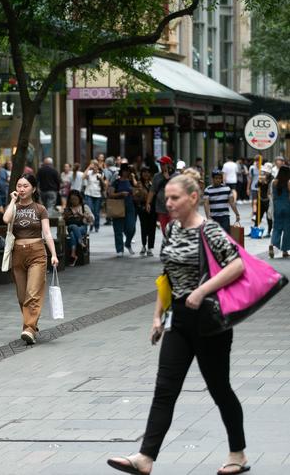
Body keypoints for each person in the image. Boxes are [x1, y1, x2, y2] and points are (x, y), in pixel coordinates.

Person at [108, 169, 248, 475]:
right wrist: (157, 316)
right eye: (166, 197)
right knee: (165, 389)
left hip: (210, 320)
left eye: (175, 197)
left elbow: (237, 265)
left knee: (219, 388)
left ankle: (238, 453)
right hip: (179, 321)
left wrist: (202, 290)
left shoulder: (209, 231)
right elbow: (167, 276)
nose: (168, 202)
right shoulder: (171, 231)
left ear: (193, 198)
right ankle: (145, 458)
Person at [3, 174, 59, 345]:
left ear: (33, 189)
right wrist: (12, 201)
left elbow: (47, 233)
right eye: (19, 186)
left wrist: (54, 254)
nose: (21, 189)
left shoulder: (40, 209)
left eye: (25, 186)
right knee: (22, 296)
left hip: (37, 253)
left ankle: (28, 328)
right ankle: (32, 326)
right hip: (17, 253)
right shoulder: (14, 207)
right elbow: (6, 219)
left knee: (32, 293)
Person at [107, 164, 137, 256]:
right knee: (118, 229)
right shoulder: (116, 182)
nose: (126, 172)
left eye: (128, 171)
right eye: (125, 170)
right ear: (121, 171)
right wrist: (120, 194)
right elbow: (110, 194)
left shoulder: (131, 181)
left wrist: (133, 179)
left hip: (130, 206)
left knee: (131, 228)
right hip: (118, 206)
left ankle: (127, 243)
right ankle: (119, 249)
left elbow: (137, 189)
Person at [62, 190, 93, 265]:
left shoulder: (84, 207)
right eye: (72, 199)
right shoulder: (67, 209)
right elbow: (63, 220)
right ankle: (81, 243)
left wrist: (82, 215)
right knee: (72, 226)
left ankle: (73, 255)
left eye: (75, 199)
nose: (73, 201)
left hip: (82, 228)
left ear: (79, 199)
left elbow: (91, 219)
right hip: (70, 227)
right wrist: (65, 216)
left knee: (73, 233)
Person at [204, 168, 240, 233]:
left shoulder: (227, 189)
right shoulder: (208, 190)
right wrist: (208, 217)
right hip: (213, 217)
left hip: (224, 217)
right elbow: (206, 204)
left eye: (219, 178)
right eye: (216, 178)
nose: (218, 180)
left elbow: (232, 203)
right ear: (212, 179)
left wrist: (237, 214)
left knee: (226, 235)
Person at [147, 156, 174, 236]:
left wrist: (168, 179)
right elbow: (152, 190)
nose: (161, 166)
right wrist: (148, 203)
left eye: (163, 164)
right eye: (160, 164)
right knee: (164, 230)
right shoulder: (156, 176)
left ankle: (171, 245)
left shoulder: (175, 176)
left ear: (169, 165)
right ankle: (168, 244)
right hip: (161, 208)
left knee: (172, 230)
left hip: (173, 208)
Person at [134, 166, 157, 256]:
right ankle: (144, 245)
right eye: (144, 172)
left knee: (152, 228)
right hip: (142, 208)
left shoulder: (153, 183)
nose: (146, 174)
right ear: (141, 174)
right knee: (144, 227)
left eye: (148, 172)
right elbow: (136, 196)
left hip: (153, 208)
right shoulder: (139, 184)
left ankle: (150, 248)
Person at [269, 165, 290, 259]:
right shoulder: (288, 182)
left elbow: (271, 195)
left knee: (277, 227)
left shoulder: (274, 182)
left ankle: (273, 245)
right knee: (287, 229)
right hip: (287, 206)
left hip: (277, 207)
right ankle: (285, 251)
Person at [83, 159, 105, 232]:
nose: (94, 167)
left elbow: (104, 185)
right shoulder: (89, 173)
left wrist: (101, 179)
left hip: (97, 195)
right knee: (90, 210)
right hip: (88, 194)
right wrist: (89, 167)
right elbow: (83, 177)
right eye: (93, 165)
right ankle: (91, 224)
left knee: (96, 212)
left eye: (95, 166)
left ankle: (96, 226)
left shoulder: (100, 174)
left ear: (97, 166)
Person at [257, 163, 273, 236]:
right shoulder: (261, 177)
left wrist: (265, 183)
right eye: (264, 171)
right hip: (261, 198)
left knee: (268, 216)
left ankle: (269, 231)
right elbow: (256, 185)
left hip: (268, 200)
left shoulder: (272, 178)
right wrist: (260, 182)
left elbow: (271, 189)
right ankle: (255, 229)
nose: (265, 173)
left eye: (266, 171)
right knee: (258, 215)